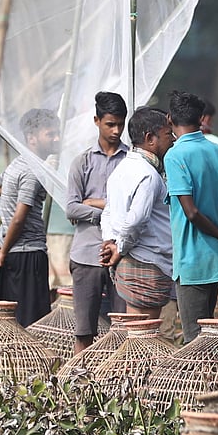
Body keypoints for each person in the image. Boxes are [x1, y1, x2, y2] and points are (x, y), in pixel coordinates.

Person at [165, 90, 218, 343]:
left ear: (169, 119)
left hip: (192, 261)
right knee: (207, 339)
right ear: (201, 118)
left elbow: (191, 212)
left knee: (194, 343)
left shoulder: (175, 155)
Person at [65, 91, 128, 353]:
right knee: (84, 331)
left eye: (120, 124)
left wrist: (93, 203)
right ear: (96, 121)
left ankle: (118, 377)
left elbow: (132, 209)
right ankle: (79, 376)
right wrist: (107, 213)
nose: (116, 131)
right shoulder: (82, 161)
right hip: (86, 255)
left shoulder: (130, 161)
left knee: (123, 332)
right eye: (110, 124)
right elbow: (71, 207)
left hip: (122, 255)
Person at [0, 107, 60, 327]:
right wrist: (3, 250)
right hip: (28, 255)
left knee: (9, 322)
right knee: (31, 323)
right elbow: (19, 217)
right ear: (32, 138)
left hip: (13, 254)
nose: (56, 138)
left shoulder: (16, 165)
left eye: (57, 133)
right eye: (50, 134)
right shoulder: (31, 171)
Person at [100, 107, 175, 318]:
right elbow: (136, 220)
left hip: (131, 259)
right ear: (150, 138)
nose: (172, 140)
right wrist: (119, 248)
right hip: (146, 260)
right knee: (144, 330)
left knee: (135, 327)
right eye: (168, 134)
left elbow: (108, 212)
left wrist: (110, 241)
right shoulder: (148, 174)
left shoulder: (122, 169)